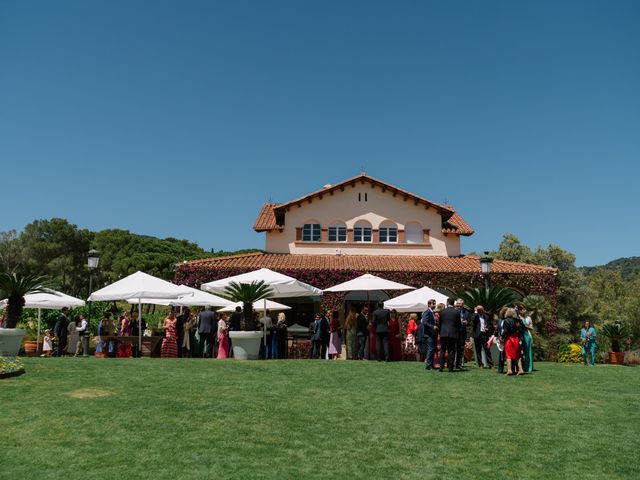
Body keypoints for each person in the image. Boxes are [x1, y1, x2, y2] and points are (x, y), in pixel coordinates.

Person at [437, 298, 460, 372]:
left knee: (442, 350)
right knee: (451, 350)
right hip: (453, 333)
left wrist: (440, 331)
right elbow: (458, 324)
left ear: (447, 302)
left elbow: (440, 323)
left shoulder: (442, 311)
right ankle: (450, 367)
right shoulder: (456, 312)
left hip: (443, 333)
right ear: (453, 303)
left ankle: (441, 367)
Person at [503, 308, 524, 375]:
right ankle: (520, 370)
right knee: (517, 355)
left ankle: (509, 370)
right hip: (516, 338)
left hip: (509, 338)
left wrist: (502, 337)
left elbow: (505, 331)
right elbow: (521, 330)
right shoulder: (518, 321)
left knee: (508, 355)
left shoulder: (506, 320)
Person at [421, 299, 438, 370]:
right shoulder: (427, 312)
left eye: (435, 303)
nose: (434, 305)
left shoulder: (432, 312)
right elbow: (424, 322)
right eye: (433, 304)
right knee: (430, 349)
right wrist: (432, 326)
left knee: (433, 349)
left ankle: (431, 364)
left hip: (433, 334)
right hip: (428, 334)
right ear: (429, 305)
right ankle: (428, 365)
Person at [454, 299, 470, 370]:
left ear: (463, 305)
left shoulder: (466, 312)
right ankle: (452, 363)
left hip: (462, 333)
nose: (459, 305)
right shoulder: (453, 311)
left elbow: (468, 321)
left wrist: (466, 322)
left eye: (460, 304)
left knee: (461, 349)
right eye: (457, 303)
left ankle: (459, 364)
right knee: (453, 349)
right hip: (454, 333)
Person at [518, 305, 534, 373]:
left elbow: (531, 328)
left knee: (528, 352)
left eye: (524, 309)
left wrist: (525, 326)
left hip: (527, 335)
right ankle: (519, 368)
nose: (524, 311)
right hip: (519, 336)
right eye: (522, 309)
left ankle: (528, 367)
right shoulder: (517, 318)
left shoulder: (528, 318)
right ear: (519, 311)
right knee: (519, 352)